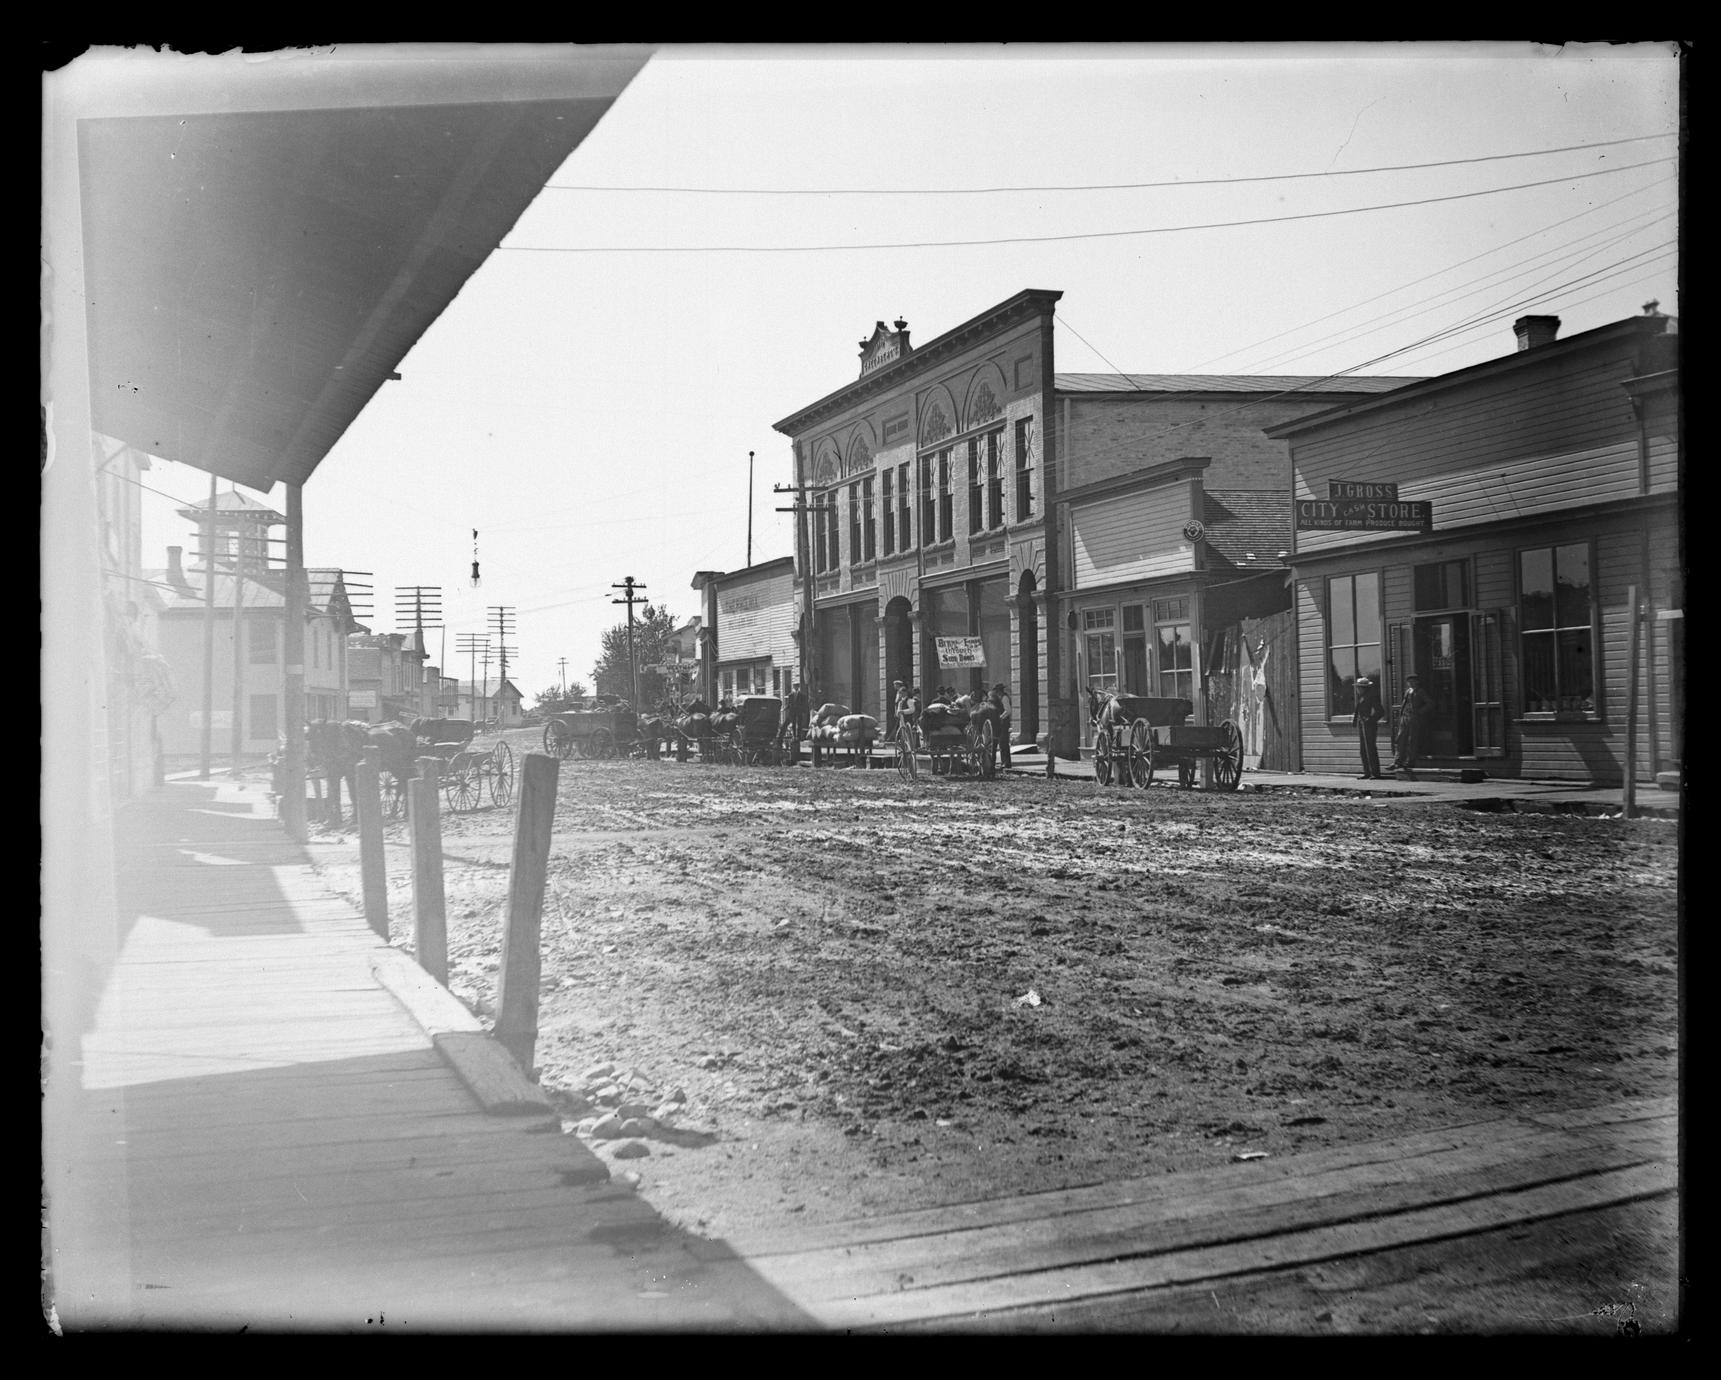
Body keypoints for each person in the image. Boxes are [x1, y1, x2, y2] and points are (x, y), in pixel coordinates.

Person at [1390, 674, 1434, 774]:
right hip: (1404, 718)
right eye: (1409, 681)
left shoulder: (1420, 691)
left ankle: (1410, 761)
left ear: (1417, 682)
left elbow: (1430, 703)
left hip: (1413, 718)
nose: (1411, 683)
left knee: (1412, 739)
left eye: (1413, 681)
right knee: (1401, 739)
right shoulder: (1408, 691)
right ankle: (1398, 761)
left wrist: (1419, 712)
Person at [1354, 674, 1385, 779]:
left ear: (1364, 688)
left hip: (1369, 725)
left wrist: (1370, 720)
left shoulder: (1371, 696)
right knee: (1363, 749)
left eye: (1358, 687)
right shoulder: (1362, 697)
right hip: (1362, 724)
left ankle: (1375, 773)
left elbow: (1380, 711)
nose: (1357, 689)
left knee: (1370, 748)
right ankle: (1367, 772)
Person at [985, 681, 1013, 770]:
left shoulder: (1004, 698)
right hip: (1000, 723)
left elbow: (1008, 711)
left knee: (1004, 743)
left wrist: (1000, 717)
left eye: (997, 691)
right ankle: (1003, 762)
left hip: (1004, 722)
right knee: (1001, 743)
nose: (997, 693)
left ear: (999, 691)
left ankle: (1006, 762)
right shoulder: (1000, 698)